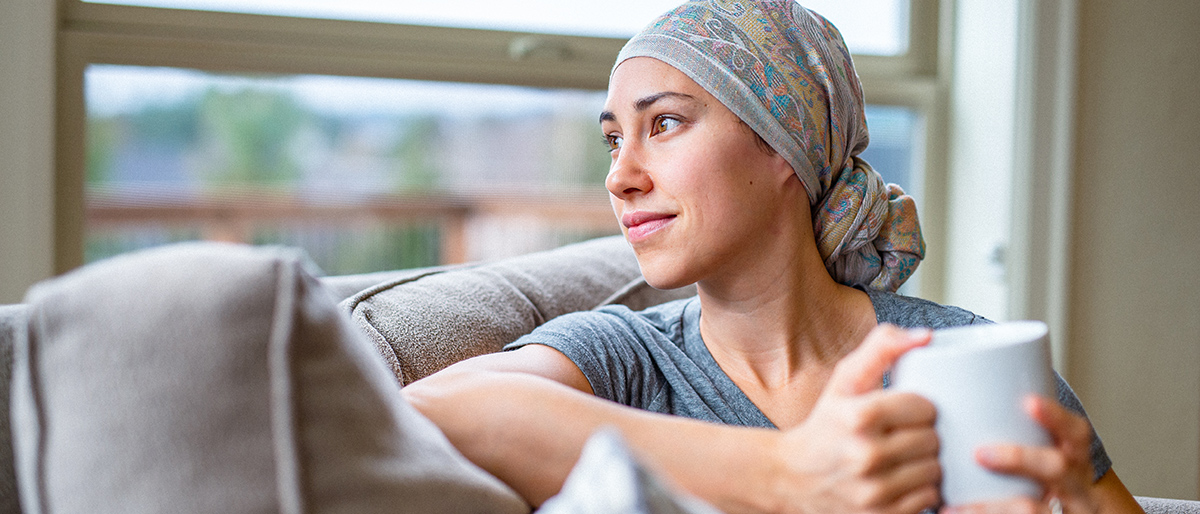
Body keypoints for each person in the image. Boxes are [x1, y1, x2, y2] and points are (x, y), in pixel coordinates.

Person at [402, 1, 1144, 512]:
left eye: (663, 124)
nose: (620, 175)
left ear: (783, 143)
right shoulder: (624, 357)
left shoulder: (959, 360)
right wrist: (788, 476)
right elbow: (431, 410)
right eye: (612, 139)